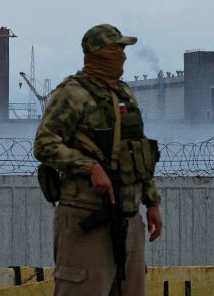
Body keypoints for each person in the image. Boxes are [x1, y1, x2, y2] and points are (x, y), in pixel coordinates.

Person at [33, 24, 163, 296]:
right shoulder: (71, 94)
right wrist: (89, 166)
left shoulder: (125, 94)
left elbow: (137, 151)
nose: (123, 57)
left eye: (123, 50)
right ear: (98, 54)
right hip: (86, 217)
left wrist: (151, 202)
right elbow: (44, 145)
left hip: (129, 219)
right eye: (116, 49)